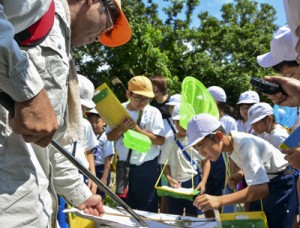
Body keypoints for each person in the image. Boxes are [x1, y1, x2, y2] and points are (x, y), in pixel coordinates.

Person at [0, 0, 131, 226]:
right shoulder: (38, 5)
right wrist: (27, 89)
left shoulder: (63, 44)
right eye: (111, 17)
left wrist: (81, 194)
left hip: (30, 206)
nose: (104, 34)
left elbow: (52, 143)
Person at [185, 113, 296, 228]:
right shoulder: (230, 145)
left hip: (279, 186)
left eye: (202, 146)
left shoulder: (245, 145)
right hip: (265, 184)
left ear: (218, 136)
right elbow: (257, 166)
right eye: (196, 148)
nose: (200, 153)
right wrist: (239, 174)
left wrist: (219, 200)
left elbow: (261, 189)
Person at [106, 75, 165, 213]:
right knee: (125, 207)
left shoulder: (153, 112)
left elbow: (160, 140)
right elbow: (109, 137)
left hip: (147, 166)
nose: (142, 102)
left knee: (147, 207)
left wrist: (137, 130)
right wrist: (121, 129)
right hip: (123, 166)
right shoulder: (118, 110)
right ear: (128, 93)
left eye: (146, 98)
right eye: (138, 97)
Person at [158, 104, 210, 217]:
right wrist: (169, 179)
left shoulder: (196, 140)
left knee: (193, 213)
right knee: (174, 214)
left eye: (184, 122)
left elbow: (206, 161)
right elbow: (164, 163)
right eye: (178, 122)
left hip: (193, 181)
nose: (181, 126)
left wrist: (203, 181)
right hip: (175, 184)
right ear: (174, 122)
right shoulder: (169, 140)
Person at [206, 86, 237, 216]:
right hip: (208, 160)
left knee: (222, 197)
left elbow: (233, 146)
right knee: (207, 196)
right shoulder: (206, 118)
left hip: (223, 163)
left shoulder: (229, 121)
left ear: (215, 102)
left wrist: (233, 171)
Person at [86, 108, 114, 200]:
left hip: (101, 169)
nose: (94, 125)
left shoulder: (106, 137)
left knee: (99, 196)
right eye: (91, 122)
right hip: (89, 168)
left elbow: (108, 158)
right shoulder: (88, 135)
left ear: (104, 122)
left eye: (97, 122)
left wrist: (104, 177)